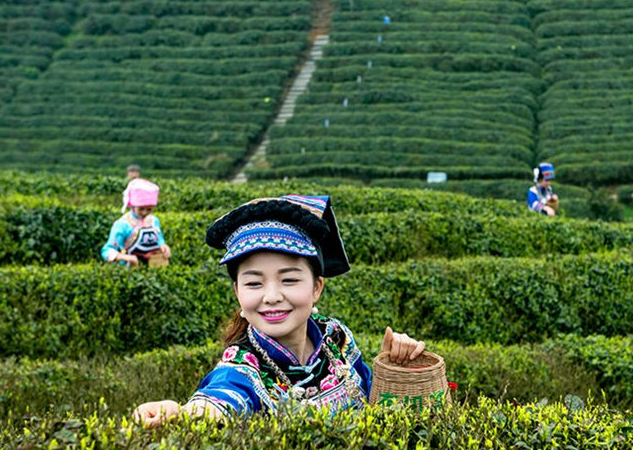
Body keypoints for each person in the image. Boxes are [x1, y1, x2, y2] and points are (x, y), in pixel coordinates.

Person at [133, 195, 425, 427]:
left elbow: (375, 403)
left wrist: (392, 368)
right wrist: (182, 413)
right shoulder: (242, 366)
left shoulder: (336, 336)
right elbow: (220, 400)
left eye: (289, 280)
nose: (272, 297)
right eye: (254, 283)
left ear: (316, 287)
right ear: (238, 293)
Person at [101, 178, 172, 267]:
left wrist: (163, 246)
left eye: (149, 209)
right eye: (141, 209)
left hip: (154, 267)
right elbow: (106, 251)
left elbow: (159, 240)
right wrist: (125, 257)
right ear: (132, 206)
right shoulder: (122, 225)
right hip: (130, 269)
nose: (144, 213)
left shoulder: (154, 221)